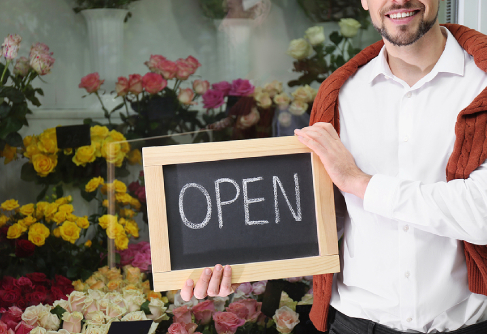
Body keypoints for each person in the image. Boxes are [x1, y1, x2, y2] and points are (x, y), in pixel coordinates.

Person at [182, 0, 487, 333]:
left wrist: (360, 183)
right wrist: (232, 261)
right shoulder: (341, 95)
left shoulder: (480, 84)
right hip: (354, 325)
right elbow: (323, 218)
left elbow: (481, 214)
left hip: (466, 323)